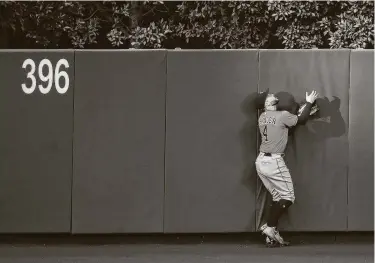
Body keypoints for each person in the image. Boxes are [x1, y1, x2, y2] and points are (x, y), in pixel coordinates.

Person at [254, 89, 319, 247]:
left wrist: (305, 113)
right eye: (268, 97)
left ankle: (270, 232)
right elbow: (299, 121)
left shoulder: (263, 117)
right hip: (274, 162)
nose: (272, 95)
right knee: (288, 197)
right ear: (268, 104)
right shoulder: (281, 115)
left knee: (277, 197)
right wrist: (309, 102)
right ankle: (269, 228)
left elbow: (286, 129)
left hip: (261, 162)